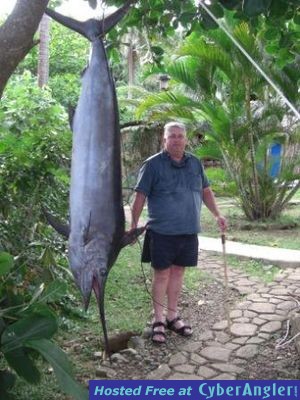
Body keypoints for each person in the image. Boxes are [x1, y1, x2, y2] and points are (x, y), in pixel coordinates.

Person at [130, 122, 227, 344]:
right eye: (171, 136)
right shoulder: (152, 165)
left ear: (186, 139)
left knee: (178, 273)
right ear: (164, 140)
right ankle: (158, 320)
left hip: (188, 231)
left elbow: (206, 191)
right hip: (161, 231)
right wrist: (134, 226)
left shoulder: (194, 163)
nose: (176, 140)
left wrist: (217, 215)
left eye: (180, 136)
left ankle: (172, 316)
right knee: (161, 275)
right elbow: (139, 198)